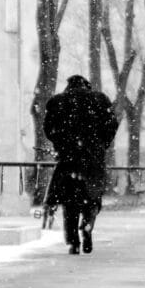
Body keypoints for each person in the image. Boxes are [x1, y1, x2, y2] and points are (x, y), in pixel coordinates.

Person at [43, 75, 120, 255]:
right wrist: (101, 144)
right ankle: (88, 224)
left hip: (68, 158)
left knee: (70, 202)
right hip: (93, 159)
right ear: (87, 86)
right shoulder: (100, 100)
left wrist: (60, 143)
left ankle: (73, 241)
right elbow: (112, 125)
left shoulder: (57, 102)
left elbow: (48, 128)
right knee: (92, 197)